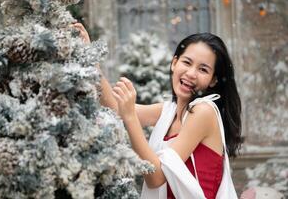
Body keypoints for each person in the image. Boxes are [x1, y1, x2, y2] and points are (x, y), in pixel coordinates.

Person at [74, 23, 242, 199]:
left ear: (213, 80)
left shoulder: (203, 111)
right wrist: (90, 58)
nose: (191, 73)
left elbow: (156, 177)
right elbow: (116, 108)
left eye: (203, 69)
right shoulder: (169, 111)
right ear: (174, 63)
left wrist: (130, 116)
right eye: (187, 62)